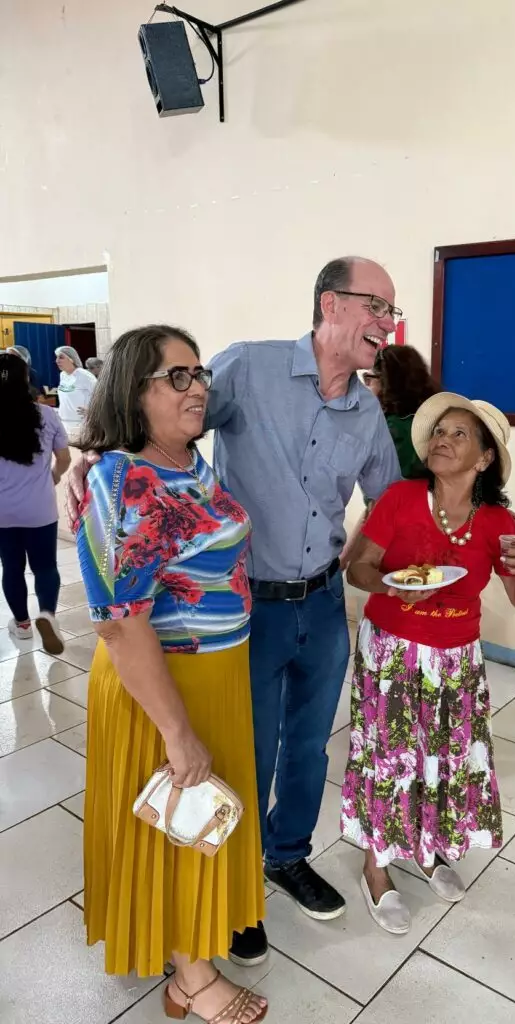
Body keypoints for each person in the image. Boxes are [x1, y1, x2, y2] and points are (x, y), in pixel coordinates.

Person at [68, 257, 402, 968]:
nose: (386, 323)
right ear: (330, 305)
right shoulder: (247, 369)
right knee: (243, 750)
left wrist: (384, 556)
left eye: (389, 311)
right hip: (253, 607)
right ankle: (230, 887)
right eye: (376, 305)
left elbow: (389, 503)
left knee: (310, 745)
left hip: (321, 600)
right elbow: (155, 426)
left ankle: (285, 856)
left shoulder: (366, 409)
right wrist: (88, 462)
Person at [74, 325, 267, 1023]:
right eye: (177, 377)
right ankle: (190, 973)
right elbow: (120, 623)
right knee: (179, 810)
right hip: (161, 685)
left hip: (213, 672)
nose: (198, 389)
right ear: (136, 390)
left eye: (200, 375)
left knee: (198, 818)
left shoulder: (187, 460)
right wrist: (176, 731)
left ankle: (188, 944)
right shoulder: (125, 480)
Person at [343, 393, 515, 932]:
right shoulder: (401, 498)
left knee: (443, 757)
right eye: (439, 432)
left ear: (484, 460)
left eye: (459, 435)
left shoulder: (500, 521)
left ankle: (429, 848)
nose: (442, 440)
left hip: (458, 656)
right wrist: (388, 583)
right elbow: (358, 567)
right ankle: (376, 866)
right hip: (392, 648)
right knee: (388, 757)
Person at [0, 351, 70, 653]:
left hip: (3, 512)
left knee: (11, 568)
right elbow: (64, 459)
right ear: (26, 378)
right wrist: (51, 478)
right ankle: (47, 614)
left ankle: (23, 625)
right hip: (40, 509)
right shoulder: (47, 415)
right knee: (45, 567)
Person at [364, 344, 438, 479]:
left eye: (368, 379)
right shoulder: (438, 416)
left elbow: (379, 487)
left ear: (385, 380)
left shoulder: (391, 427)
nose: (365, 386)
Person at [55, 345, 97, 439]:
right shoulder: (63, 375)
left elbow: (102, 395)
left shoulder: (84, 375)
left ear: (71, 359)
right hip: (64, 423)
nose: (57, 360)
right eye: (56, 357)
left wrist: (93, 411)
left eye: (61, 357)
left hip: (81, 424)